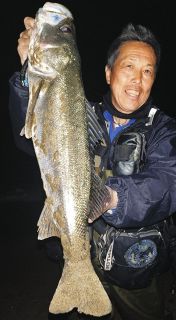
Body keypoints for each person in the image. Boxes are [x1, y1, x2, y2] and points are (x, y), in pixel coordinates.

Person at [8, 14, 176, 320]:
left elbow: (168, 184)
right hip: (84, 258)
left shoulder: (164, 130)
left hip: (136, 271)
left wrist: (112, 199)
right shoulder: (81, 116)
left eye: (148, 71)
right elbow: (29, 139)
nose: (138, 80)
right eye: (129, 67)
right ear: (109, 73)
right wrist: (27, 72)